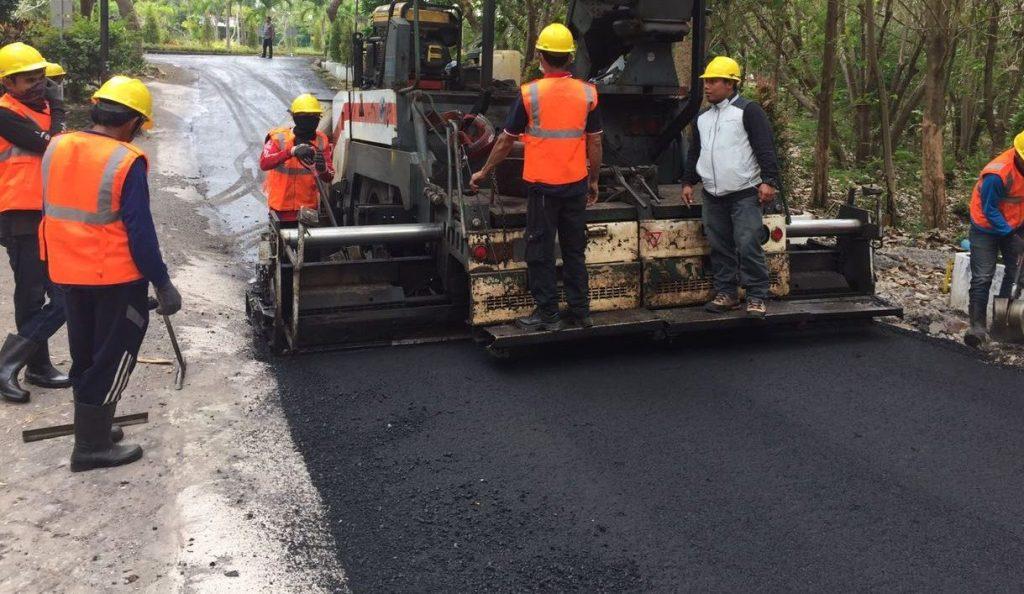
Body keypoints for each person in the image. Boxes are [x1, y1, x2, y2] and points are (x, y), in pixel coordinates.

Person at [40, 76, 182, 472]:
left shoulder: (58, 145)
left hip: (67, 270)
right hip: (114, 277)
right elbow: (140, 231)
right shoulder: (125, 160)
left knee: (85, 353)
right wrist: (163, 282)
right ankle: (91, 448)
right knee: (114, 357)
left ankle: (94, 430)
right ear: (133, 121)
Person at [470, 23, 602, 331]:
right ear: (570, 58)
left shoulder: (530, 94)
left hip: (544, 189)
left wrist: (483, 172)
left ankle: (548, 315)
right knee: (573, 250)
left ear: (541, 56)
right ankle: (580, 311)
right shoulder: (587, 93)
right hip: (576, 185)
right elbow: (595, 141)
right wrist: (593, 181)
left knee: (540, 251)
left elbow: (505, 141)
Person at [681, 56, 781, 319]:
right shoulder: (702, 118)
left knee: (748, 244)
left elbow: (765, 147)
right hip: (713, 195)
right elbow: (695, 152)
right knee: (719, 245)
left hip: (744, 193)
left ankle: (757, 295)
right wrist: (688, 181)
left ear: (730, 84)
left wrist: (769, 181)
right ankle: (727, 293)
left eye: (713, 82)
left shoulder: (748, 111)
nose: (707, 86)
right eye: (706, 82)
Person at [0, 42, 70, 403]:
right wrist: (59, 111)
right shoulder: (4, 112)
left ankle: (34, 366)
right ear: (9, 83)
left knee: (59, 294)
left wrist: (56, 110)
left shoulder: (42, 107)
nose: (39, 83)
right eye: (29, 79)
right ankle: (12, 364)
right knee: (33, 295)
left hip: (49, 213)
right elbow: (54, 144)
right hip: (20, 215)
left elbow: (55, 139)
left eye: (41, 76)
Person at [963, 130, 1024, 348]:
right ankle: (977, 326)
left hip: (1016, 223)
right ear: (1018, 155)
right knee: (982, 276)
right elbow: (990, 210)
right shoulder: (997, 174)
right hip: (986, 227)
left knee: (1016, 271)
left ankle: (1003, 322)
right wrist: (1010, 235)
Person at [259, 93, 334, 221]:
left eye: (314, 116)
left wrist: (322, 168)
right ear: (295, 118)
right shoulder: (279, 137)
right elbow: (264, 163)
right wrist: (291, 152)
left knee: (307, 241)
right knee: (285, 239)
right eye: (305, 116)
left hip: (308, 208)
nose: (310, 120)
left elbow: (329, 177)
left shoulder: (321, 140)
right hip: (281, 207)